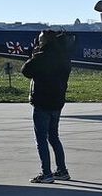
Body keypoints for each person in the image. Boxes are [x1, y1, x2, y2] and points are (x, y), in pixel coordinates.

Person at [21, 30, 72, 182]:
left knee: (41, 139)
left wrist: (33, 56)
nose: (38, 42)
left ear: (45, 42)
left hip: (42, 102)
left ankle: (47, 173)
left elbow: (26, 71)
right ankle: (62, 170)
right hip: (57, 102)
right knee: (54, 137)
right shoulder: (63, 57)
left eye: (40, 40)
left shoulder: (41, 57)